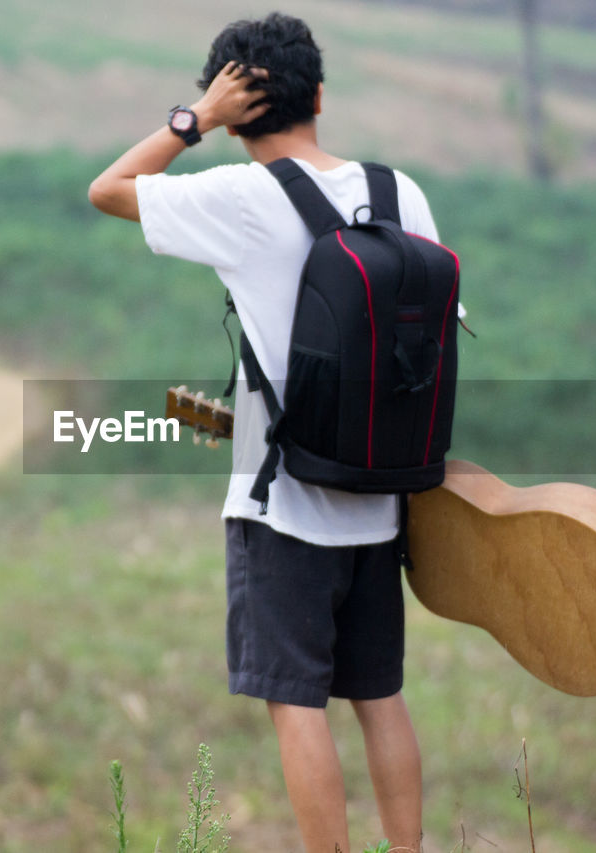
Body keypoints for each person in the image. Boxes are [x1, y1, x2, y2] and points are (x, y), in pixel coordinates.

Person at [88, 13, 435, 853]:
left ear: (237, 106)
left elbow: (108, 190)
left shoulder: (242, 198)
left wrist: (192, 120)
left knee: (297, 701)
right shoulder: (401, 192)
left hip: (284, 507)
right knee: (379, 695)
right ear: (319, 95)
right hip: (382, 500)